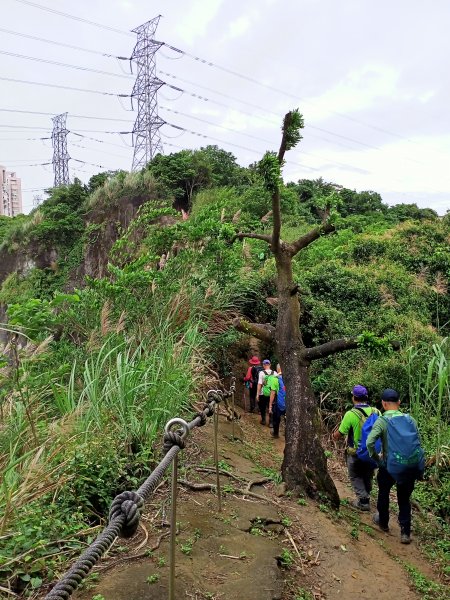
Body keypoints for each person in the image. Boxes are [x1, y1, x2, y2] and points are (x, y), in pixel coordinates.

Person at [367, 388, 424, 544]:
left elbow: (369, 442)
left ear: (383, 404)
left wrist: (377, 459)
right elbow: (416, 442)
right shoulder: (410, 419)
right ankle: (405, 533)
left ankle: (384, 523)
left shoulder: (382, 421)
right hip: (408, 466)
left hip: (388, 465)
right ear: (399, 403)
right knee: (404, 499)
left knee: (384, 493)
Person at [333, 385, 380, 511]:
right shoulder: (376, 412)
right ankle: (367, 494)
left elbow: (340, 433)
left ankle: (363, 501)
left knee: (355, 475)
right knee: (368, 474)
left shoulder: (351, 414)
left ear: (354, 398)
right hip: (372, 452)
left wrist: (334, 436)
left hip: (356, 452)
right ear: (366, 397)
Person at [256, 359, 277, 425]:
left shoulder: (261, 373)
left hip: (263, 393)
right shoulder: (275, 373)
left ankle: (263, 420)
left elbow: (259, 384)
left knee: (263, 407)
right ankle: (271, 422)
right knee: (271, 407)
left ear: (263, 365)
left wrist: (257, 394)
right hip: (272, 393)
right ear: (270, 365)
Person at [269, 364, 286, 439]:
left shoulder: (275, 378)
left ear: (277, 369)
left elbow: (273, 393)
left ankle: (276, 434)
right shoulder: (290, 378)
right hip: (288, 403)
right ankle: (288, 434)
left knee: (276, 418)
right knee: (288, 419)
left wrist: (270, 405)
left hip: (278, 403)